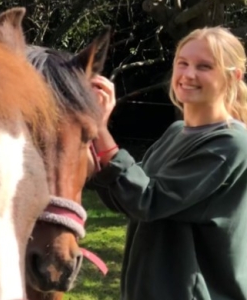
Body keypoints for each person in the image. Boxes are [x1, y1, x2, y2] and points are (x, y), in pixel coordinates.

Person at [88, 26, 247, 300]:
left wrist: (101, 129)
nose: (188, 74)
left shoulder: (232, 144)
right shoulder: (176, 132)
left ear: (233, 76)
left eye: (204, 66)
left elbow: (148, 201)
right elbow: (127, 200)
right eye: (182, 63)